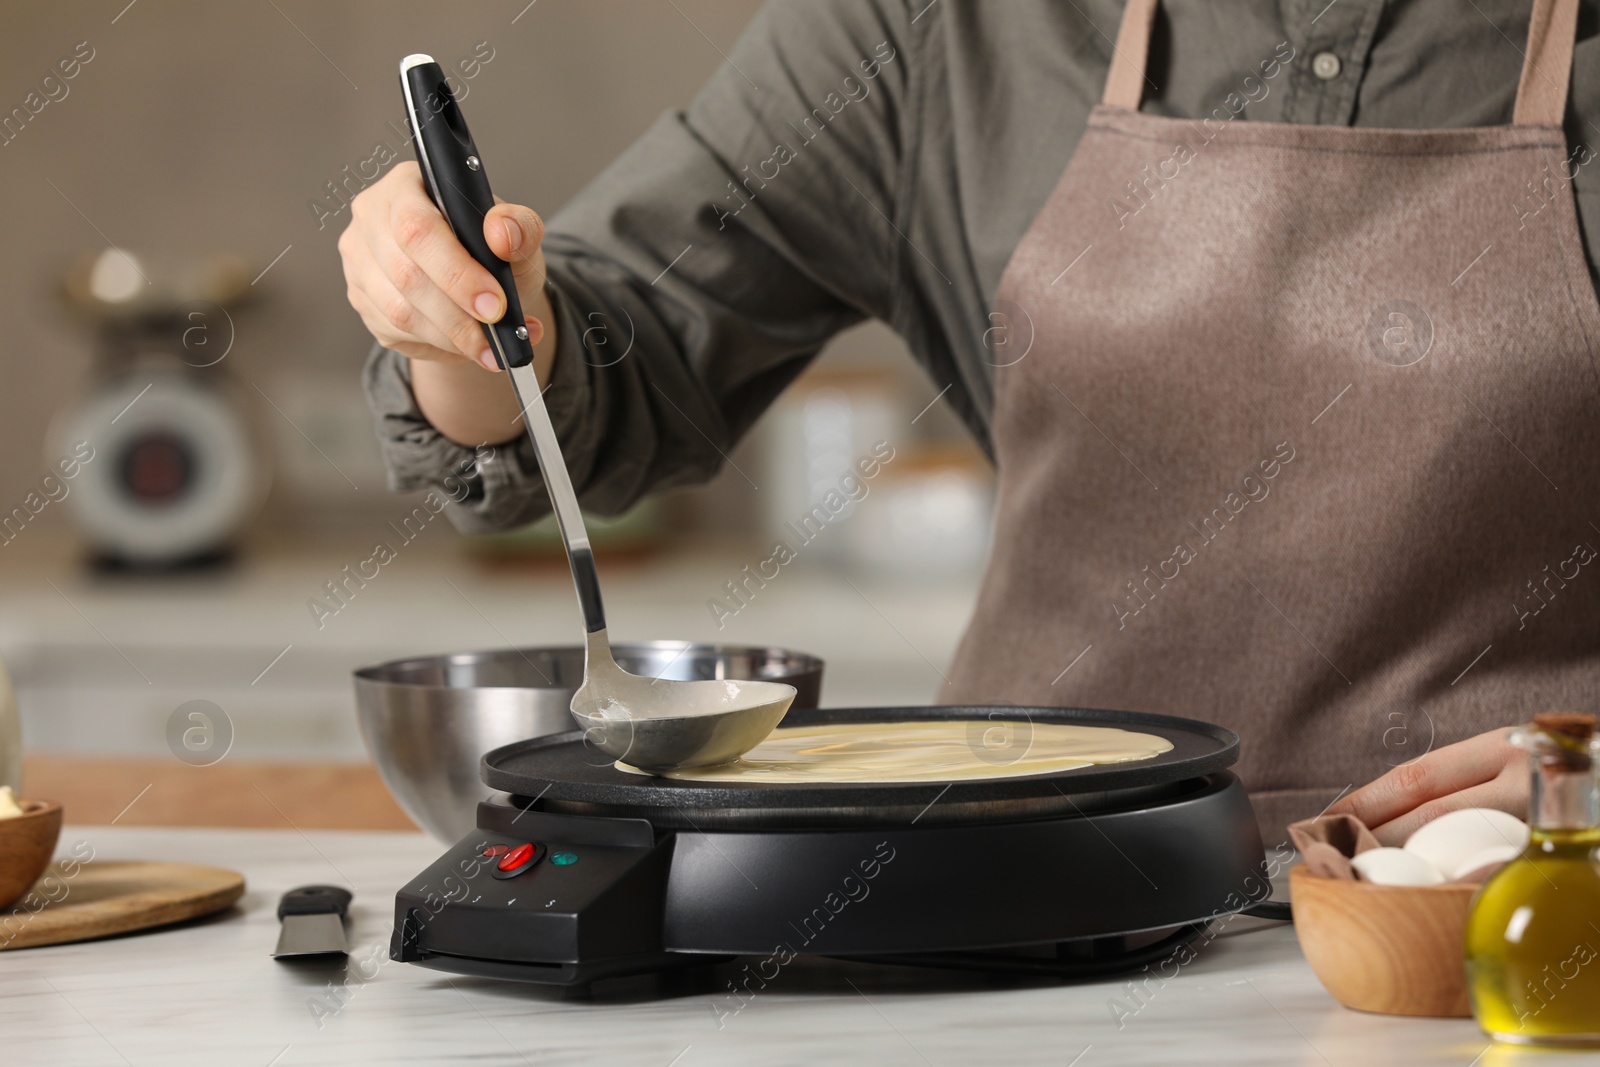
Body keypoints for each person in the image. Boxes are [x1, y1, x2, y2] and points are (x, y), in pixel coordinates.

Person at [341, 0, 1600, 846]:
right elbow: (612, 362)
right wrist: (453, 315)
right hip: (1023, 908)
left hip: (1517, 930)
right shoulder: (941, 26)